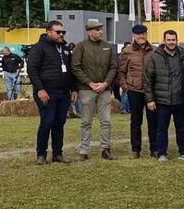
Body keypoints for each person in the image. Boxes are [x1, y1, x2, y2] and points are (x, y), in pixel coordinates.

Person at [26, 20, 78, 165]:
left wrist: (73, 88)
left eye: (63, 32)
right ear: (49, 32)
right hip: (47, 92)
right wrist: (40, 89)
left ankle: (58, 153)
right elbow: (32, 69)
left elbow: (70, 71)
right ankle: (41, 154)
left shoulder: (65, 49)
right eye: (58, 32)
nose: (61, 34)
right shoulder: (39, 48)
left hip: (63, 92)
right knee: (47, 122)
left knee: (60, 122)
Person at [144, 30, 184, 163]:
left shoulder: (183, 55)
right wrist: (150, 99)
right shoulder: (155, 56)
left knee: (181, 128)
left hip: (180, 100)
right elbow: (148, 79)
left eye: (173, 40)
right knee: (161, 129)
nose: (171, 42)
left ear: (177, 40)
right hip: (162, 100)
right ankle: (162, 153)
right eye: (169, 40)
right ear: (164, 40)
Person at [72, 19, 117, 160]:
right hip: (86, 89)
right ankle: (84, 151)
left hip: (104, 89)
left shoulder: (108, 46)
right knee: (86, 121)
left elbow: (113, 66)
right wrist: (90, 83)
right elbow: (76, 67)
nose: (101, 31)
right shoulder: (81, 47)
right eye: (97, 29)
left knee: (106, 121)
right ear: (90, 31)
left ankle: (106, 149)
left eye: (101, 29)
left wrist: (105, 83)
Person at [117, 24, 157, 159]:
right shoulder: (127, 51)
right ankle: (135, 149)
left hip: (151, 91)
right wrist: (125, 87)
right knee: (136, 122)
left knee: (153, 122)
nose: (142, 36)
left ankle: (154, 148)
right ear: (134, 35)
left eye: (144, 34)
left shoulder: (154, 51)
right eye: (139, 34)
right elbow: (121, 71)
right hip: (134, 90)